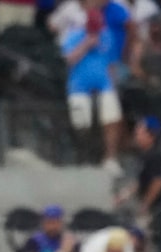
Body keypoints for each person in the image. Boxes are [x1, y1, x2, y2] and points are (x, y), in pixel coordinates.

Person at [62, 8, 124, 175]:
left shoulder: (107, 35)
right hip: (79, 85)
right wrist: (86, 44)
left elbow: (111, 62)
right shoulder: (74, 35)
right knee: (82, 123)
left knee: (112, 117)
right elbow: (68, 60)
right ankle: (84, 157)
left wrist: (114, 85)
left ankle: (110, 158)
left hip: (104, 83)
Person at [114, 117, 161, 218]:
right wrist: (125, 194)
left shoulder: (156, 156)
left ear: (151, 136)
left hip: (160, 206)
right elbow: (142, 180)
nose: (136, 136)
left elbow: (158, 182)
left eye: (140, 133)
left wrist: (145, 204)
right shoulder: (144, 155)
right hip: (151, 205)